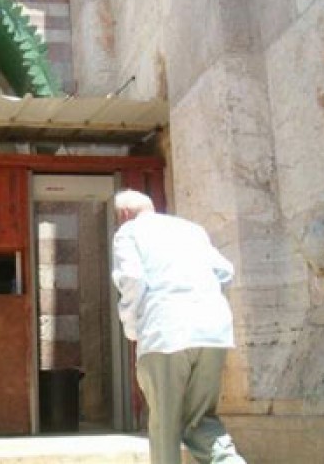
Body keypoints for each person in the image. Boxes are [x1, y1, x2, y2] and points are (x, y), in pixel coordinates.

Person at [111, 190, 246, 464]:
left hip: (165, 332)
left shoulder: (128, 232)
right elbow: (225, 271)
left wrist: (131, 326)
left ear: (123, 215)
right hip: (213, 331)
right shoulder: (192, 230)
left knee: (165, 425)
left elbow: (132, 278)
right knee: (201, 421)